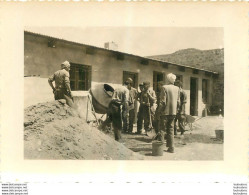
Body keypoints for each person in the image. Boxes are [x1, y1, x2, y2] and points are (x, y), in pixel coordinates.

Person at [159, 73, 180, 153]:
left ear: (167, 79)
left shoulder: (164, 87)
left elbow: (163, 102)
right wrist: (176, 110)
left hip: (165, 112)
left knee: (162, 129)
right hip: (173, 112)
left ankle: (160, 148)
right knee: (171, 129)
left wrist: (159, 111)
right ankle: (171, 148)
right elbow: (178, 102)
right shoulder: (177, 88)